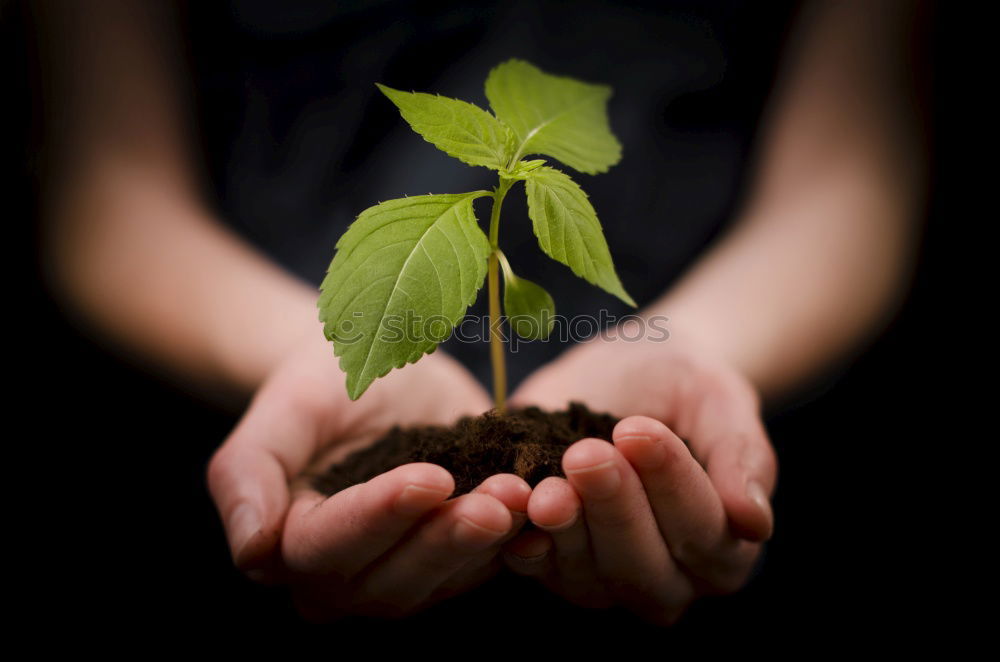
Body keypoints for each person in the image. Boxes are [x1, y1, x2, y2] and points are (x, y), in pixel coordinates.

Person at [30, 0, 926, 625]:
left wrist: (699, 344)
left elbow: (857, 160)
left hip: (743, 347)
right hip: (227, 360)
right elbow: (103, 187)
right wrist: (306, 349)